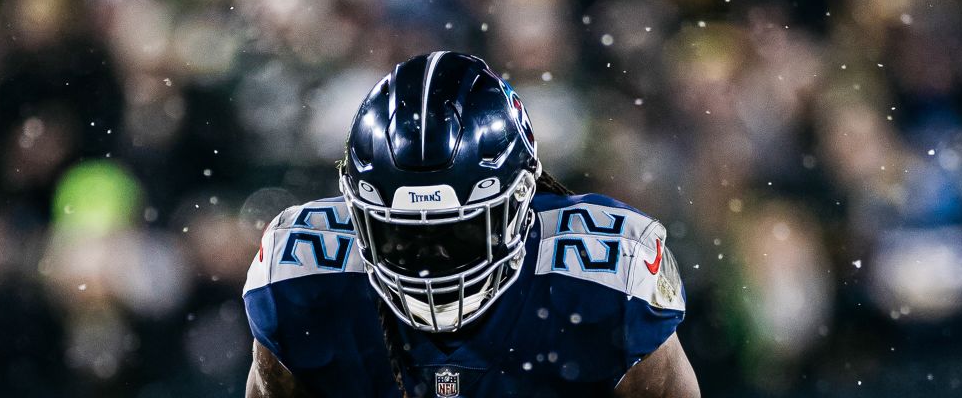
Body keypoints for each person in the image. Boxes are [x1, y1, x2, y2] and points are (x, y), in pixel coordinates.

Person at [243, 52, 699, 397]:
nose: (429, 261)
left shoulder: (607, 280)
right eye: (401, 233)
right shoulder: (299, 278)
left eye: (456, 233)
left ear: (523, 199)